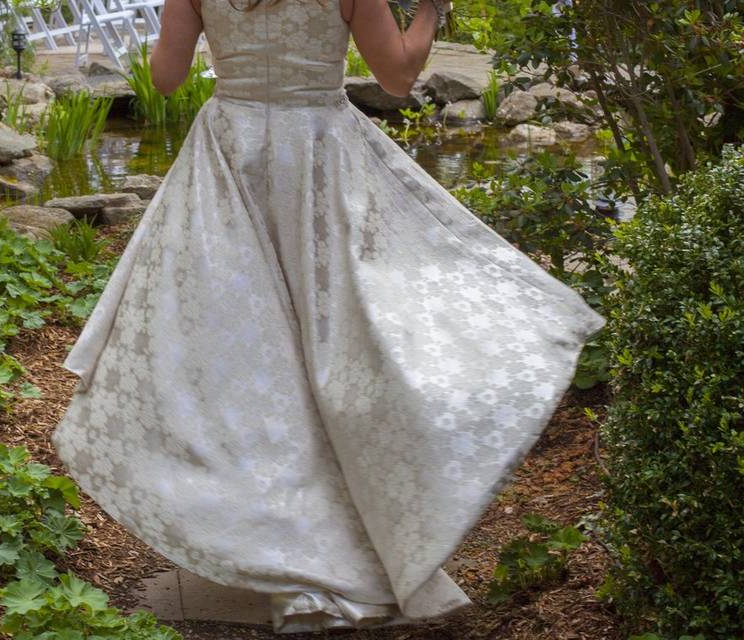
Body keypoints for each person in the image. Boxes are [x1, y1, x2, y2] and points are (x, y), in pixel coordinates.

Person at [52, 0, 605, 632]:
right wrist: (431, 11)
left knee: (243, 348)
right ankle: (346, 526)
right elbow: (397, 77)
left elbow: (167, 78)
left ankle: (266, 533)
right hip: (318, 156)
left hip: (229, 154)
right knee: (341, 336)